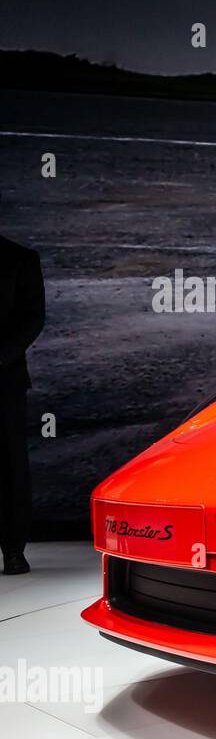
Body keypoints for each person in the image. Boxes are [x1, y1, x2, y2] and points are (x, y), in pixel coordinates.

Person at [0, 234, 44, 575]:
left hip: (4, 381)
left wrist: (1, 358)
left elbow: (33, 318)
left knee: (10, 466)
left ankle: (13, 549)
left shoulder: (20, 258)